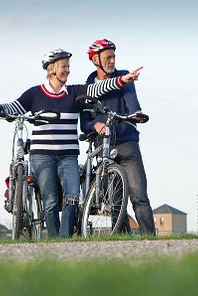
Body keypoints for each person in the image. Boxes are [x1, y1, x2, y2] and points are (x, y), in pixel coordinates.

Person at [0, 49, 142, 237]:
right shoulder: (35, 94)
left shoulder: (74, 93)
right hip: (42, 156)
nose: (68, 70)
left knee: (72, 197)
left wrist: (122, 80)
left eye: (68, 66)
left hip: (68, 156)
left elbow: (98, 88)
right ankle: (54, 241)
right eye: (64, 66)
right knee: (50, 200)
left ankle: (65, 239)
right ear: (51, 69)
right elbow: (13, 107)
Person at [81, 39, 156, 235]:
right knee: (114, 203)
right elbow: (84, 122)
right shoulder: (87, 87)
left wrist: (136, 113)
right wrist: (94, 124)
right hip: (104, 147)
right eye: (108, 57)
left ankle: (151, 240)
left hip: (127, 144)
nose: (112, 60)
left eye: (114, 56)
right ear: (95, 60)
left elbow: (132, 101)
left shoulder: (124, 77)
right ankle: (121, 242)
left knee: (139, 197)